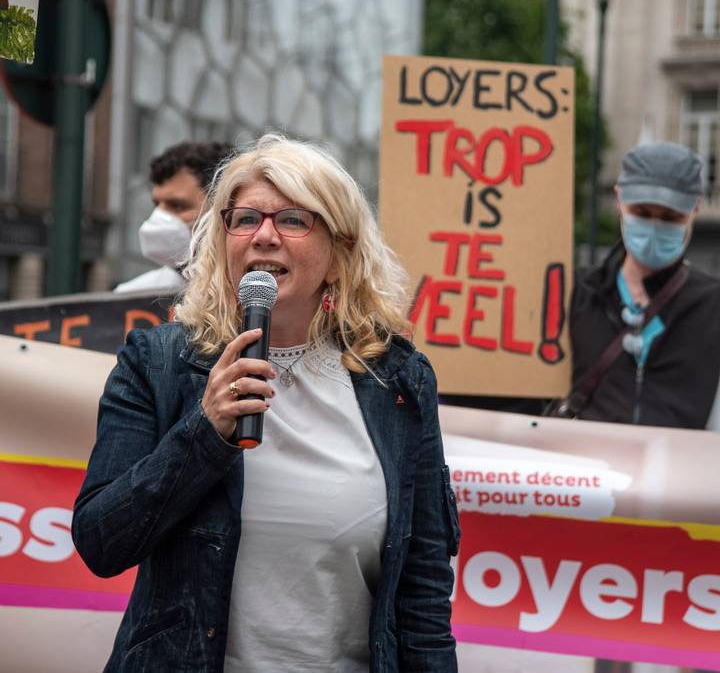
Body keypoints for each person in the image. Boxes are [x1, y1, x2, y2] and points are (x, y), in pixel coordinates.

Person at [73, 134, 460, 672]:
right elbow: (100, 543)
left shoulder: (396, 379)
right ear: (223, 239)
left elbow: (422, 591)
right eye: (246, 218)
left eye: (294, 220)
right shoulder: (157, 364)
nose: (265, 237)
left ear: (338, 253)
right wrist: (204, 432)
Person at [561, 141, 720, 428]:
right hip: (590, 468)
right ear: (619, 200)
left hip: (684, 470)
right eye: (641, 212)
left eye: (670, 217)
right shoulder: (575, 292)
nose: (654, 227)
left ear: (695, 209)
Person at [114, 140, 233, 293]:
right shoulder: (131, 297)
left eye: (177, 206)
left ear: (222, 209)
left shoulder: (254, 294)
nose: (159, 216)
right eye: (157, 205)